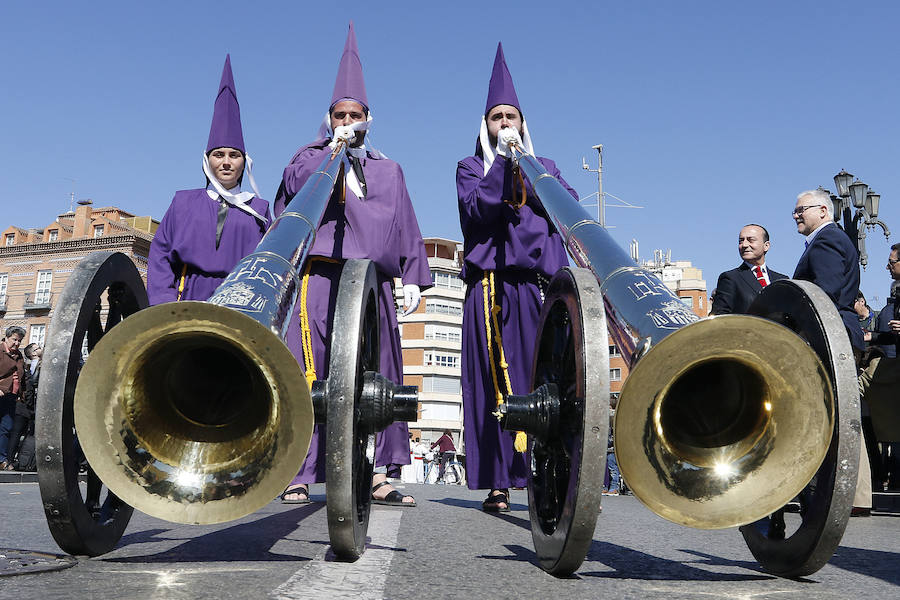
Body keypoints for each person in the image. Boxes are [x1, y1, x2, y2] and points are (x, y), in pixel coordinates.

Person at [274, 23, 431, 506]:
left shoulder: (389, 168)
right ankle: (298, 469)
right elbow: (294, 189)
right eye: (340, 114)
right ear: (329, 118)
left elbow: (404, 220)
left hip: (373, 281)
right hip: (321, 276)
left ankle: (380, 472)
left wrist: (412, 275)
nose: (348, 120)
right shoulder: (310, 156)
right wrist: (330, 151)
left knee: (378, 371)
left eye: (355, 115)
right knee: (310, 366)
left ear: (369, 118)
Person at [457, 43, 577, 512]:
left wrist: (525, 167)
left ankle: (550, 476)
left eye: (511, 117)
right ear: (485, 126)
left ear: (523, 124)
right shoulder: (471, 167)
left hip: (537, 287)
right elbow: (476, 209)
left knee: (543, 378)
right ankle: (499, 480)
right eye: (496, 118)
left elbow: (564, 210)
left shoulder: (544, 167)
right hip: (491, 286)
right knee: (492, 380)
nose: (504, 124)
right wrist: (502, 166)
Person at [147, 55, 271, 305]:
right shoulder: (183, 203)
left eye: (234, 155)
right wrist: (165, 303)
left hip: (241, 305)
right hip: (185, 302)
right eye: (219, 155)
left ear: (244, 162)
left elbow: (270, 267)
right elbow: (160, 254)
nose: (226, 162)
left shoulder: (260, 210)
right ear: (207, 161)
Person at [791, 188, 870, 515]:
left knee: (826, 416)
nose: (795, 215)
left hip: (829, 336)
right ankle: (857, 497)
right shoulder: (832, 240)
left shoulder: (827, 241)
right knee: (844, 415)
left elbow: (824, 293)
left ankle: (834, 495)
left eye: (801, 209)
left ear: (824, 210)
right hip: (838, 334)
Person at [711, 224, 788, 315]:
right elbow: (720, 317)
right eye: (741, 241)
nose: (744, 245)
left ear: (766, 246)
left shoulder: (782, 280)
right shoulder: (730, 278)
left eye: (751, 240)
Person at [4, 343, 40, 470]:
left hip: (27, 406)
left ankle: (18, 460)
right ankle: (8, 460)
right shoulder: (34, 365)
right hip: (23, 405)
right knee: (16, 433)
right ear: (33, 353)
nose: (41, 349)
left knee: (22, 434)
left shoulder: (32, 365)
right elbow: (31, 384)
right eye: (38, 348)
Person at [0, 326, 26, 471]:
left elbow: (22, 378)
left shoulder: (19, 356)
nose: (16, 343)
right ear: (7, 337)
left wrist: (20, 395)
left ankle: (1, 459)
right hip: (1, 393)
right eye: (14, 339)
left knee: (6, 427)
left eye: (19, 341)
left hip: (11, 396)